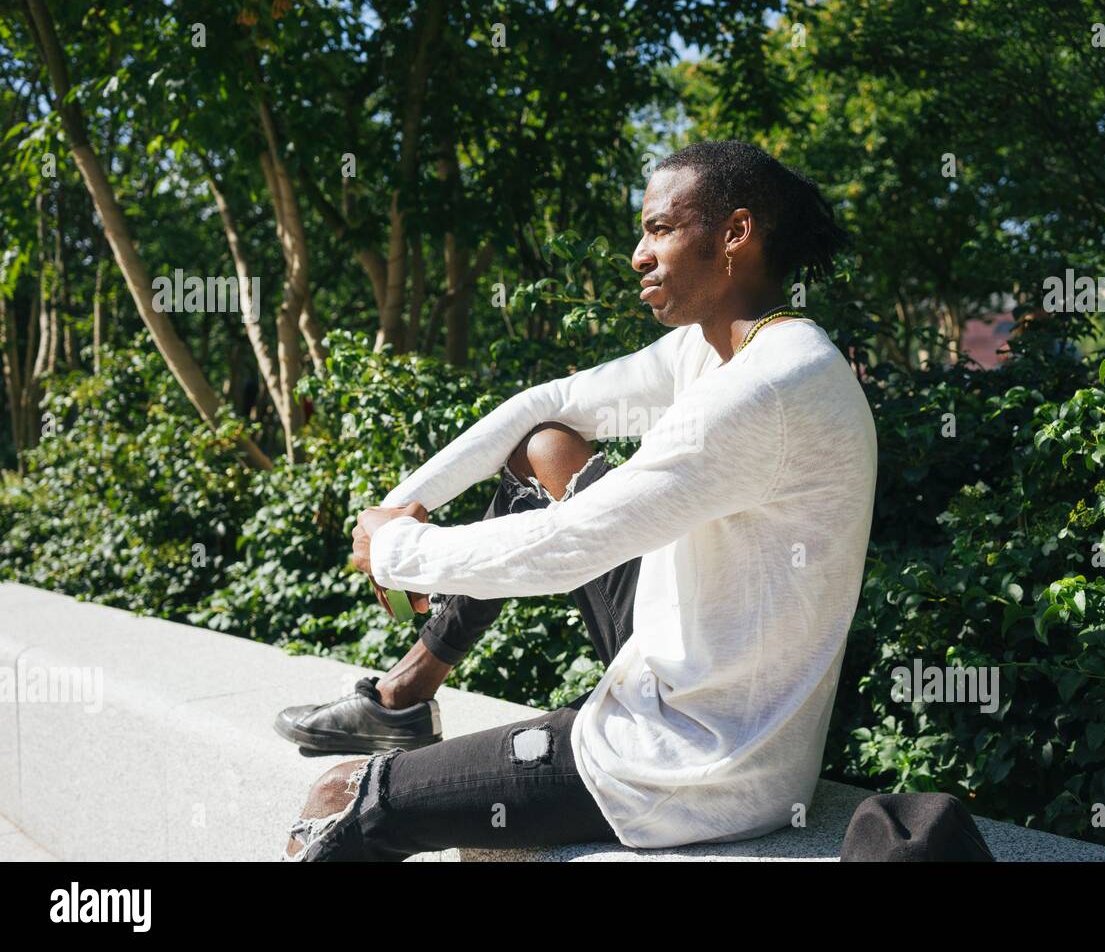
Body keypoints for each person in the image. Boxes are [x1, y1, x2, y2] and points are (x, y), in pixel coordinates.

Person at [277, 140, 878, 860]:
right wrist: (399, 507)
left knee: (342, 799)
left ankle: (395, 725)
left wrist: (400, 550)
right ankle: (402, 700)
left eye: (659, 228)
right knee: (547, 447)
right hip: (688, 682)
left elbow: (568, 547)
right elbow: (549, 403)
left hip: (686, 764)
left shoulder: (765, 388)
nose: (637, 254)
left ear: (735, 235)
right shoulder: (723, 348)